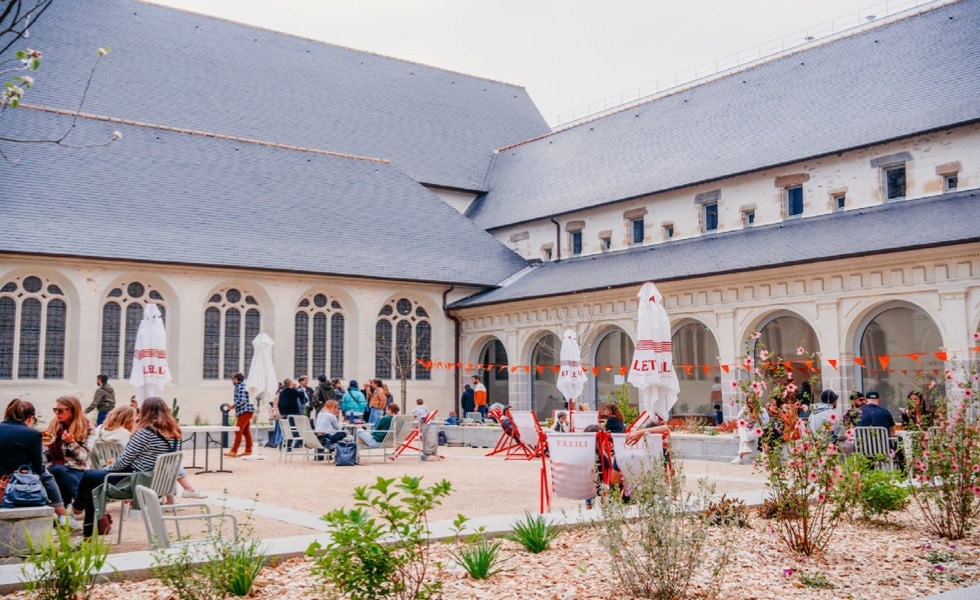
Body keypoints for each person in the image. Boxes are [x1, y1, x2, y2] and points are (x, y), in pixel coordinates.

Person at [71, 397, 185, 538]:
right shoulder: (176, 434)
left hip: (137, 481)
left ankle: (78, 512)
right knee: (91, 483)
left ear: (145, 413)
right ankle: (85, 528)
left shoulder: (145, 433)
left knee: (89, 476)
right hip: (160, 483)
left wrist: (106, 469)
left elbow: (124, 461)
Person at [0, 399, 77, 527]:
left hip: (2, 475)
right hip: (18, 478)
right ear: (31, 418)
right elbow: (37, 465)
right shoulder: (32, 434)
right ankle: (62, 514)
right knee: (46, 474)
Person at [43, 396, 94, 508]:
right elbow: (46, 454)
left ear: (72, 410)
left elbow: (84, 457)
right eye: (55, 410)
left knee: (60, 475)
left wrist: (72, 443)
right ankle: (84, 504)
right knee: (57, 471)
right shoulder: (54, 425)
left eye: (60, 410)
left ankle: (65, 516)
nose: (57, 413)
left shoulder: (87, 427)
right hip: (56, 467)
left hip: (77, 468)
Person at [225, 372, 255, 458]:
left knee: (238, 429)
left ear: (235, 378)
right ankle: (248, 450)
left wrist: (233, 406)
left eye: (232, 379)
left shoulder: (240, 386)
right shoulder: (241, 386)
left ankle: (234, 450)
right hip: (246, 411)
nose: (232, 381)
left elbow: (242, 400)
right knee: (245, 431)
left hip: (245, 411)